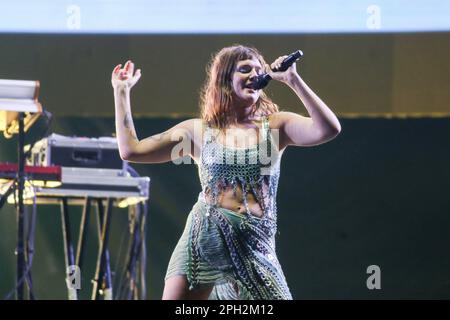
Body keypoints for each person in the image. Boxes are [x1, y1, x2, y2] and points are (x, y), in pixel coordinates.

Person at [111, 45, 341, 300]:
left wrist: (293, 80)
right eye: (245, 69)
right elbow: (132, 150)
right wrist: (121, 92)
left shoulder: (276, 126)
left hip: (254, 245)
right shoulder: (197, 132)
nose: (254, 74)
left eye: (258, 69)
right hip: (204, 238)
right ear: (224, 79)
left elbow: (328, 129)